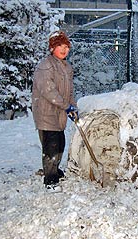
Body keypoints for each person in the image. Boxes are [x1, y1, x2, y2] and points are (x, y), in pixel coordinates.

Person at [31, 30, 78, 192]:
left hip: (59, 113)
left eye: (66, 46)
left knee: (60, 144)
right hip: (46, 112)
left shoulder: (67, 67)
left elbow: (69, 91)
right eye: (59, 46)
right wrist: (66, 106)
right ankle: (50, 180)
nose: (64, 50)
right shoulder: (45, 66)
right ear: (52, 48)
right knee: (50, 146)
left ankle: (55, 170)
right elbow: (48, 90)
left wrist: (73, 107)